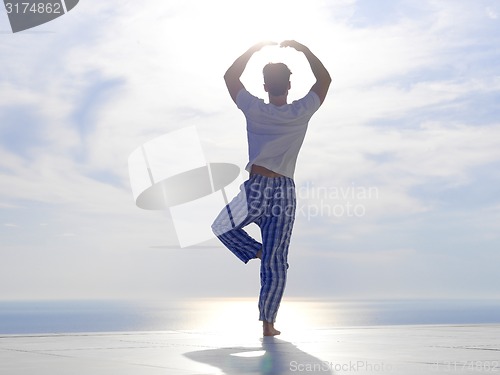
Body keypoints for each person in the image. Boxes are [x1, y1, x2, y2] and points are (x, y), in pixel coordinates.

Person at [211, 40, 331, 336]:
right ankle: (268, 324)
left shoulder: (254, 108)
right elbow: (325, 79)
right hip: (285, 192)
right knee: (277, 261)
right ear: (289, 86)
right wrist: (302, 49)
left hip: (257, 187)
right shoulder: (301, 111)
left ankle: (258, 251)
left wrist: (254, 49)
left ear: (265, 86)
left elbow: (229, 77)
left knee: (222, 226)